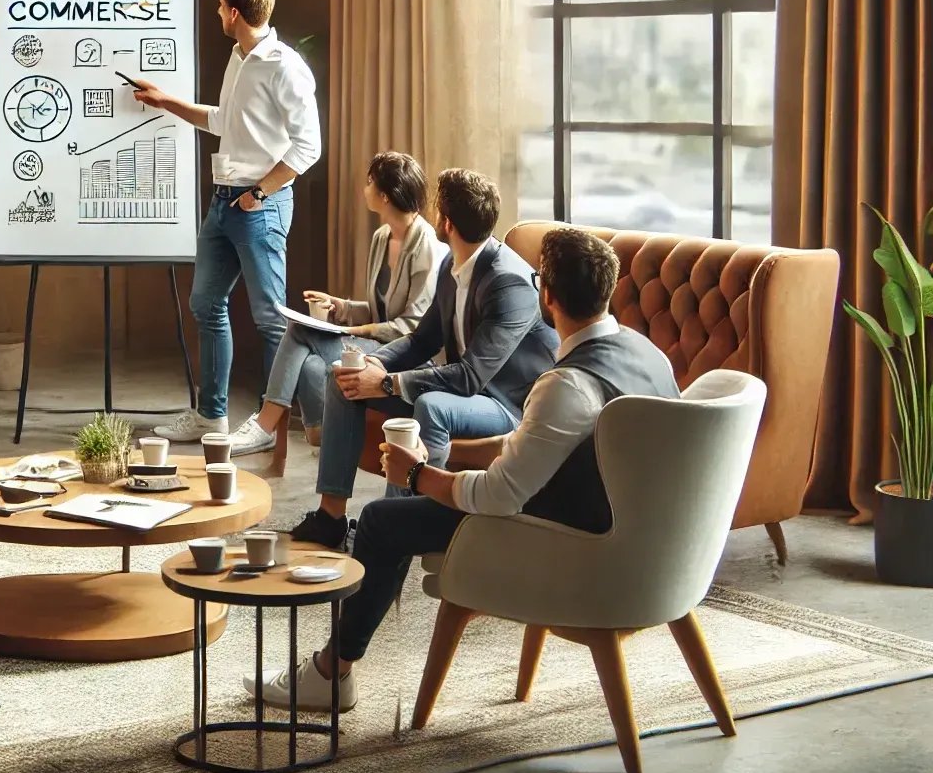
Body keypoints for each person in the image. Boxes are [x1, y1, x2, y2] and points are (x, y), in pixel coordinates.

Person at [246, 227, 680, 712]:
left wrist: (416, 476)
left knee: (380, 522)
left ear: (548, 295)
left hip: (564, 545)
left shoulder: (566, 385)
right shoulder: (650, 355)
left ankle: (331, 673)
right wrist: (457, 453)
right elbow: (550, 446)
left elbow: (497, 498)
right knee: (414, 499)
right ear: (608, 290)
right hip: (646, 552)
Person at [289, 168, 557, 549]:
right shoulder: (454, 264)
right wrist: (374, 365)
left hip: (507, 403)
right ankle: (331, 517)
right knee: (343, 379)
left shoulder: (508, 282)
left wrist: (385, 383)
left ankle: (390, 528)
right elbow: (422, 339)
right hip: (469, 392)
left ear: (444, 221)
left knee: (432, 405)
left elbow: (470, 377)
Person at [129, 0, 322, 443]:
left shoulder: (284, 65)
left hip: (259, 204)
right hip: (223, 202)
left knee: (270, 317)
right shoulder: (239, 56)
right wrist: (165, 101)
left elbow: (308, 146)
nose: (217, 12)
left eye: (219, 6)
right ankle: (211, 415)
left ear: (234, 12)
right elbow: (223, 121)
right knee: (206, 303)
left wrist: (259, 194)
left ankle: (268, 424)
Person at [224, 152, 441, 457]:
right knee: (312, 365)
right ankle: (322, 437)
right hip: (378, 343)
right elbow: (383, 309)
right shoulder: (382, 237)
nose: (364, 190)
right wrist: (340, 307)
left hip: (405, 356)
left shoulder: (426, 246)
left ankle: (264, 425)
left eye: (369, 183)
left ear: (386, 195)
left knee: (299, 332)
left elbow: (411, 327)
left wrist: (357, 330)